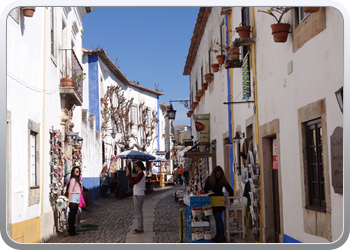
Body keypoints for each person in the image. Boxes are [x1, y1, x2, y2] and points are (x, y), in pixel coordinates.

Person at [204, 166, 233, 243]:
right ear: (214, 174)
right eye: (217, 174)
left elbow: (230, 190)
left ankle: (221, 235)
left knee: (218, 218)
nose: (218, 176)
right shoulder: (209, 179)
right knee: (216, 219)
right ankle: (218, 234)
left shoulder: (222, 180)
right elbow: (205, 189)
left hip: (219, 202)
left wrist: (231, 200)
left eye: (220, 174)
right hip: (211, 201)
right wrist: (208, 191)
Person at [126, 161, 146, 234]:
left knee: (139, 212)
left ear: (139, 167)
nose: (135, 168)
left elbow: (133, 182)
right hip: (138, 194)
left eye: (135, 166)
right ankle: (139, 227)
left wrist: (128, 176)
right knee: (138, 211)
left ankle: (140, 228)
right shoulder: (140, 174)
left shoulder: (141, 174)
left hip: (139, 194)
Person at [67, 166, 82, 236]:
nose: (78, 172)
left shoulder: (77, 179)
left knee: (74, 215)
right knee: (72, 215)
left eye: (78, 171)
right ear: (73, 172)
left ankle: (73, 230)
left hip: (77, 198)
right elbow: (70, 190)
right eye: (76, 171)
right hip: (73, 198)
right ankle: (71, 230)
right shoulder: (73, 180)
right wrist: (68, 200)